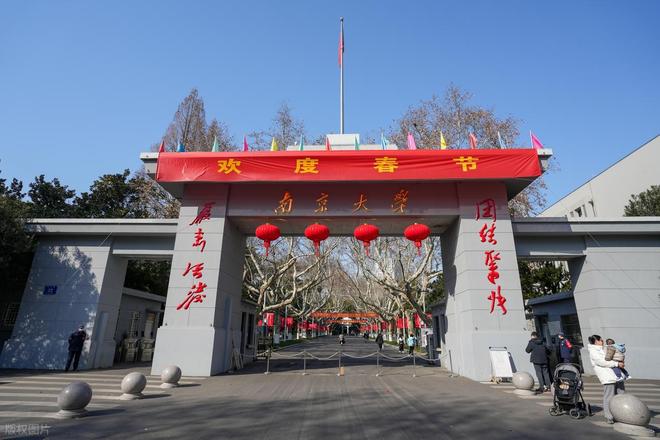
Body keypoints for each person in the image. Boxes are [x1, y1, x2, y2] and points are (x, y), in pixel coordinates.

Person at [588, 334, 626, 424]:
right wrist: (616, 364)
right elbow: (602, 362)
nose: (603, 341)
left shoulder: (603, 348)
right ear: (596, 341)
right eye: (601, 340)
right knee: (609, 397)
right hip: (607, 376)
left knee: (621, 394)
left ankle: (621, 414)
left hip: (616, 374)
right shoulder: (593, 351)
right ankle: (609, 416)